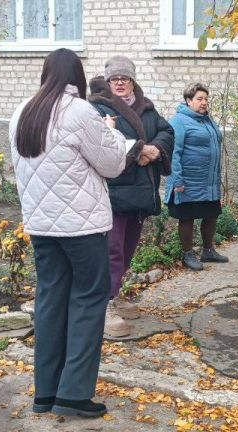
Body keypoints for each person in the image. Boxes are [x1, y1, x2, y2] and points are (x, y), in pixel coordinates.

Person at [9, 48, 126, 418]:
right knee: (89, 299)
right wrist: (112, 134)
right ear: (77, 75)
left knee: (50, 300)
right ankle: (74, 394)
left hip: (41, 226)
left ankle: (45, 392)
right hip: (82, 227)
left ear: (46, 74)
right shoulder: (80, 111)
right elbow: (113, 164)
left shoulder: (22, 112)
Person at [88, 55, 174, 338]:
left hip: (139, 192)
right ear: (107, 81)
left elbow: (166, 131)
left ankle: (115, 293)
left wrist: (155, 149)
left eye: (124, 78)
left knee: (127, 250)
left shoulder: (146, 107)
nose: (120, 83)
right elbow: (101, 141)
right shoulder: (97, 107)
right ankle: (104, 305)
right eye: (114, 79)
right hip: (113, 191)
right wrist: (139, 150)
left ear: (132, 81)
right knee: (111, 250)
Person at [164, 83, 228, 270]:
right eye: (199, 99)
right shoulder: (179, 121)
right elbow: (173, 153)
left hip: (208, 181)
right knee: (187, 217)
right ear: (188, 100)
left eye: (206, 99)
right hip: (188, 181)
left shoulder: (207, 120)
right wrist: (177, 179)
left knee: (211, 214)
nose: (204, 102)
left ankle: (208, 251)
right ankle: (188, 254)